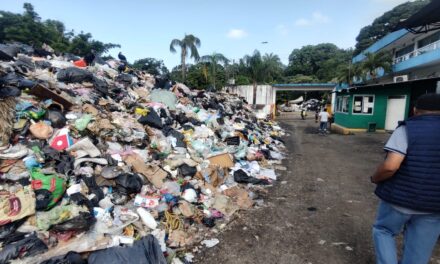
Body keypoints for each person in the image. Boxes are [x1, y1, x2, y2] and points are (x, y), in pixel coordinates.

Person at [371, 93, 440, 264]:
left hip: (400, 199)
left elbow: (390, 166)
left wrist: (375, 178)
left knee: (384, 230)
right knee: (420, 246)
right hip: (434, 204)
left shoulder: (407, 129)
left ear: (415, 110)